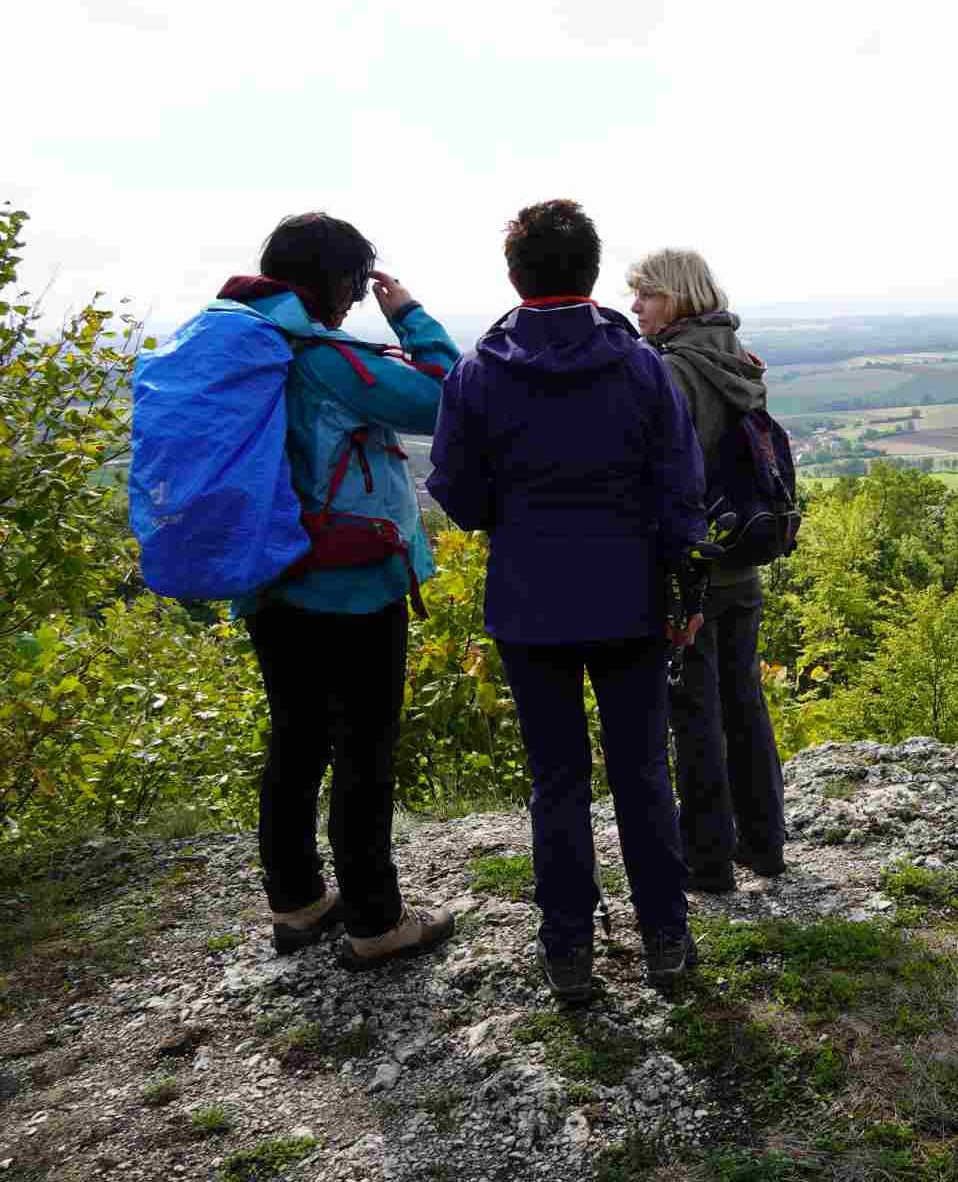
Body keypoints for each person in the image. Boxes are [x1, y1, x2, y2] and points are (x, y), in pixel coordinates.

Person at [427, 201, 709, 1002]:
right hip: (629, 598)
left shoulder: (478, 373)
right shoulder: (641, 367)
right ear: (591, 272)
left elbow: (460, 492)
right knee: (643, 772)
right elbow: (680, 486)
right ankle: (666, 939)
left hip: (529, 601)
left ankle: (568, 953)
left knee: (557, 781)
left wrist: (513, 519)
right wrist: (684, 585)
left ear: (514, 276)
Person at [224, 212, 459, 967]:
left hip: (268, 579)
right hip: (348, 586)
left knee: (295, 738)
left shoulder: (241, 343)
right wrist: (411, 317)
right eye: (356, 283)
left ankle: (296, 902)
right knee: (364, 748)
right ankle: (374, 918)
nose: (358, 300)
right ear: (332, 280)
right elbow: (442, 398)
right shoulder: (321, 355)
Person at [628, 249, 786, 892]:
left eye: (647, 295)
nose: (635, 306)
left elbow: (658, 474)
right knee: (744, 704)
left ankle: (709, 859)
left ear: (678, 300)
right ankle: (765, 842)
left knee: (695, 714)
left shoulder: (671, 372)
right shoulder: (737, 358)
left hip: (691, 572)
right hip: (741, 561)